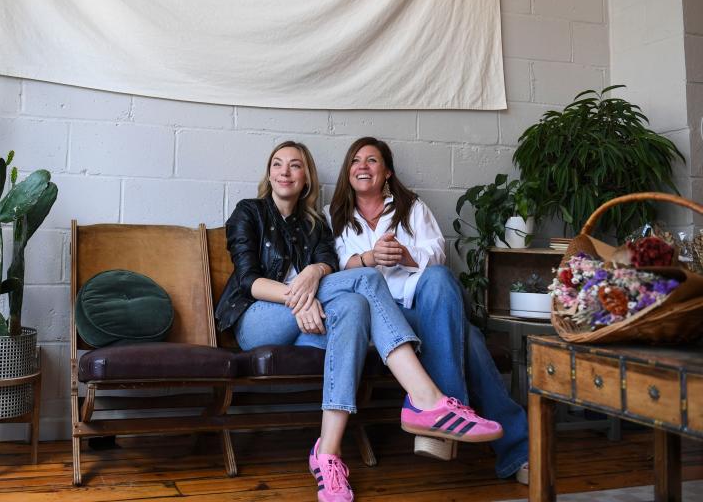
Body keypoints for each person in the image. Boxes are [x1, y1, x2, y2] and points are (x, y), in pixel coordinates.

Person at [215, 140, 503, 502]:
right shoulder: (249, 212)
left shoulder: (317, 223)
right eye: (277, 164)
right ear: (268, 173)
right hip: (259, 319)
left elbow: (328, 264)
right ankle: (425, 398)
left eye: (294, 166)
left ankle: (327, 455)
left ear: (307, 179)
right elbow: (248, 281)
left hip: (310, 319)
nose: (284, 172)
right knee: (368, 279)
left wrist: (316, 274)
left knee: (353, 305)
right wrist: (298, 295)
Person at [326, 136, 529, 483]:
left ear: (387, 172)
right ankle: (508, 446)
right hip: (376, 318)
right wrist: (367, 259)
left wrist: (408, 257)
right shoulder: (335, 219)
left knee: (436, 276)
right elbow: (333, 275)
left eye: (372, 160)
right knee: (471, 341)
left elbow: (437, 252)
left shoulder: (411, 207)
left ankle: (442, 422)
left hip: (425, 307)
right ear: (347, 172)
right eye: (355, 161)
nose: (362, 166)